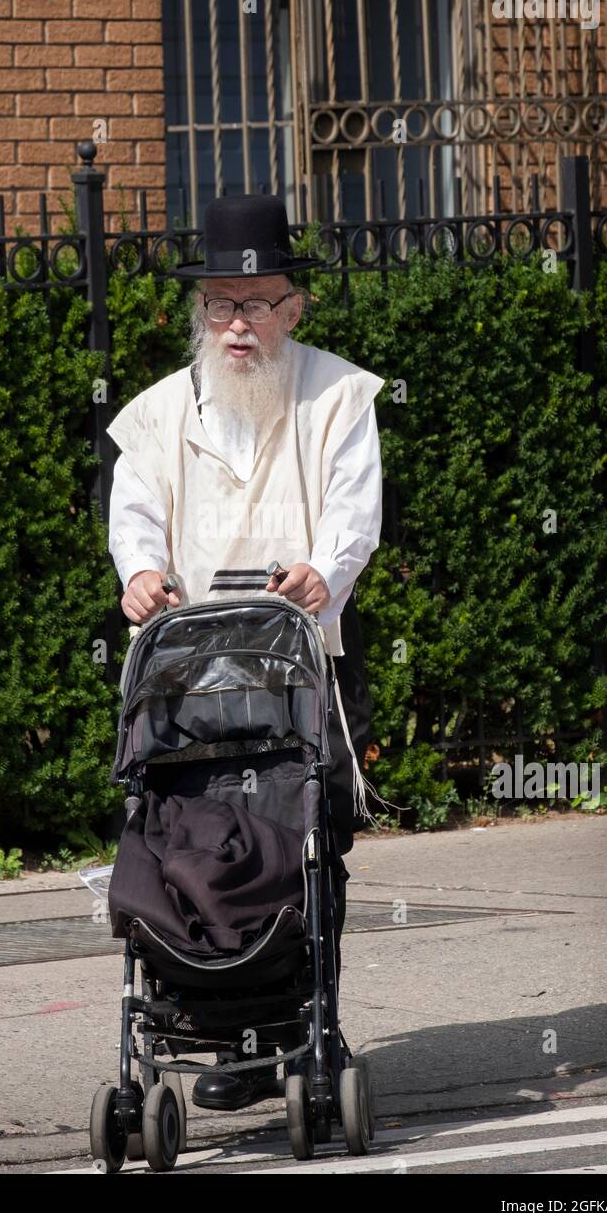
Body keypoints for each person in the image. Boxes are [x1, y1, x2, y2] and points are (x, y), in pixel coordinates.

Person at [106, 193, 383, 1110]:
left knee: (311, 836)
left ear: (293, 307)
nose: (236, 324)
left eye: (256, 304)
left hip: (308, 665)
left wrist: (323, 573)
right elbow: (135, 518)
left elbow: (353, 518)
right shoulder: (151, 417)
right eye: (220, 304)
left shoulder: (340, 395)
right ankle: (221, 1035)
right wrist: (141, 574)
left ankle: (309, 1032)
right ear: (201, 311)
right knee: (191, 836)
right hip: (189, 679)